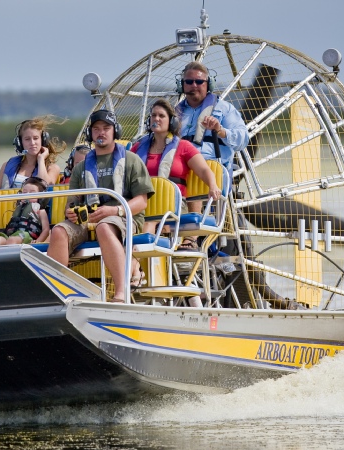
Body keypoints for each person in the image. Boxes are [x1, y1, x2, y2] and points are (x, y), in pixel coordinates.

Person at [47, 109, 154, 303]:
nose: (101, 132)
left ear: (116, 132)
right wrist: (71, 213)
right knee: (59, 231)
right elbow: (72, 203)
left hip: (123, 217)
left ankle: (121, 292)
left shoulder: (132, 160)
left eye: (106, 128)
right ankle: (58, 294)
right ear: (90, 134)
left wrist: (115, 210)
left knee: (104, 226)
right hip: (87, 220)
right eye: (96, 129)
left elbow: (141, 201)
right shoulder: (80, 167)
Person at [131, 98, 220, 236]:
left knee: (149, 222)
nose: (156, 119)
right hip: (143, 202)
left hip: (172, 203)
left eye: (161, 116)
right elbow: (123, 169)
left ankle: (141, 253)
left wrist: (213, 185)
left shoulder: (183, 147)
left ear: (172, 121)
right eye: (153, 115)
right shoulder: (138, 147)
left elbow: (204, 170)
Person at [176, 61, 249, 170]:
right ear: (182, 85)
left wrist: (220, 130)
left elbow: (243, 140)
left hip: (213, 168)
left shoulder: (224, 109)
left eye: (199, 81)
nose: (194, 85)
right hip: (180, 168)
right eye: (189, 81)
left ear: (209, 84)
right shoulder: (173, 114)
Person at [0, 115, 66, 189]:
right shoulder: (6, 165)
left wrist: (41, 160)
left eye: (36, 138)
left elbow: (45, 186)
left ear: (43, 140)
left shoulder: (52, 168)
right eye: (27, 139)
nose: (32, 143)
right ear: (19, 142)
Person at [0, 177, 50, 245]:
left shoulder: (40, 211)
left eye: (32, 193)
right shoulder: (19, 208)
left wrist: (37, 242)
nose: (27, 194)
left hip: (26, 236)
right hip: (10, 235)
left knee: (12, 240)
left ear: (40, 197)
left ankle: (10, 255)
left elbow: (46, 230)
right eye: (24, 192)